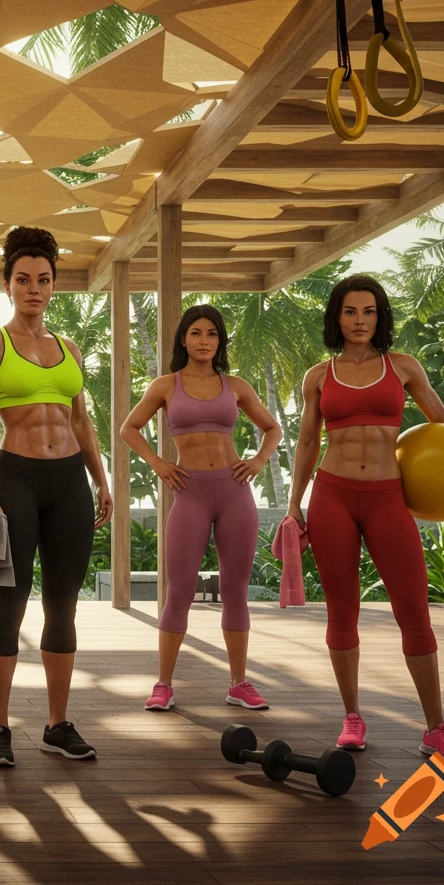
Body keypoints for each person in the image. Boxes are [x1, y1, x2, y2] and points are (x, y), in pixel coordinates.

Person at [288, 275, 444, 763]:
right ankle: (352, 717)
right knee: (342, 609)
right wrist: (294, 506)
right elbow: (308, 443)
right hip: (332, 495)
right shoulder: (319, 375)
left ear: (381, 317)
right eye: (351, 311)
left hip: (386, 498)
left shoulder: (402, 367)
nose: (360, 320)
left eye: (370, 311)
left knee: (414, 610)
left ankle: (437, 728)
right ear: (337, 316)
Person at [0, 227, 113, 768]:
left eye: (44, 280)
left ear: (54, 287)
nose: (34, 288)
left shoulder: (68, 348)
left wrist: (101, 479)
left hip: (69, 481)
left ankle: (57, 724)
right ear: (8, 285)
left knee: (63, 603)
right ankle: (0, 728)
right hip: (17, 480)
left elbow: (82, 420)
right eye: (24, 279)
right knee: (9, 604)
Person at [120, 304, 281, 713]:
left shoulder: (237, 385)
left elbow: (273, 428)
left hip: (234, 491)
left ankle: (239, 683)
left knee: (235, 591)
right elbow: (128, 428)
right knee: (179, 592)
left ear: (219, 341)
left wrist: (259, 461)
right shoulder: (165, 385)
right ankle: (164, 684)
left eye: (212, 333)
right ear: (183, 339)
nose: (204, 340)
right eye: (196, 333)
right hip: (189, 492)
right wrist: (158, 464)